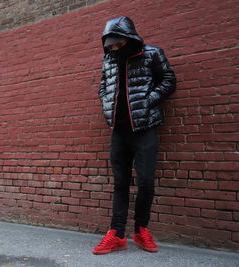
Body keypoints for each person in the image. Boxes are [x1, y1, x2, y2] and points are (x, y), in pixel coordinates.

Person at [93, 16, 176, 255]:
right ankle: (117, 234)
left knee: (146, 182)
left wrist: (148, 100)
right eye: (110, 43)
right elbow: (103, 86)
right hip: (118, 132)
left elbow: (169, 80)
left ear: (129, 38)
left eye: (118, 43)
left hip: (144, 129)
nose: (113, 47)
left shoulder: (151, 54)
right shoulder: (108, 59)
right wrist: (106, 102)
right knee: (120, 183)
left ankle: (141, 231)